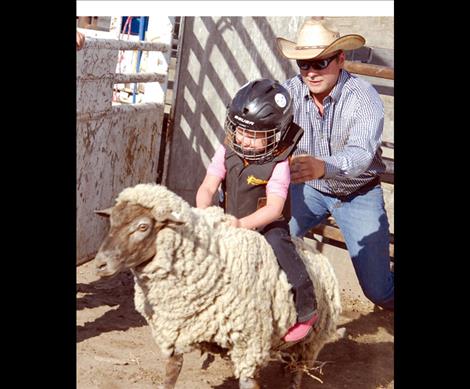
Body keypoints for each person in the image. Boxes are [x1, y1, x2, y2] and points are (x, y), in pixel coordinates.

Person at [276, 18, 394, 310]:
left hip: (358, 193)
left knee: (379, 292)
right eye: (304, 64)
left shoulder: (363, 96)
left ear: (340, 59)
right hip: (310, 190)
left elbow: (361, 154)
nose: (311, 72)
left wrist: (322, 166)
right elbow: (262, 128)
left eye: (321, 62)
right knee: (270, 246)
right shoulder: (288, 92)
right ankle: (292, 315)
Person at [196, 78, 318, 342]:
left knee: (280, 247)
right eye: (240, 131)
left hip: (265, 224)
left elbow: (274, 209)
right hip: (228, 217)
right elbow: (207, 187)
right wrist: (205, 212)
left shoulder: (279, 163)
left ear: (275, 133)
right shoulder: (228, 148)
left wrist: (240, 226)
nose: (245, 140)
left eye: (254, 135)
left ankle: (306, 308)